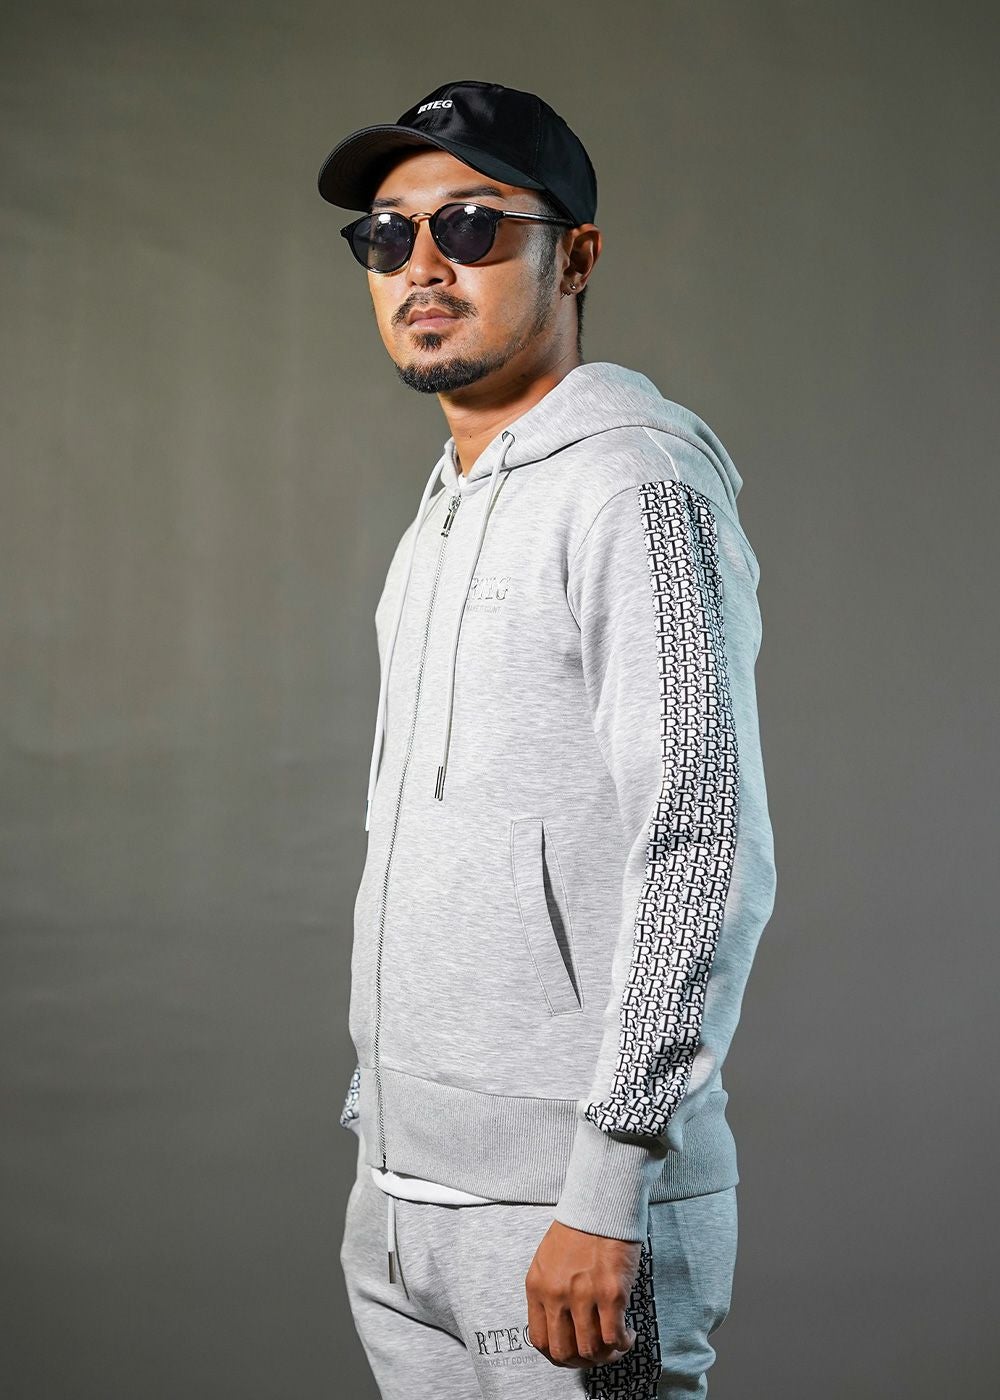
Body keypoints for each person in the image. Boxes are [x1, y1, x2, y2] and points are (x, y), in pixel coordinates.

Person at [317, 79, 777, 1399]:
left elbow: (701, 844)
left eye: (469, 227)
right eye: (388, 235)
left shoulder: (634, 481)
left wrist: (606, 1181)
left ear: (574, 256)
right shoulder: (447, 502)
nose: (421, 266)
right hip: (402, 1198)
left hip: (563, 1217)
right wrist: (383, 1155)